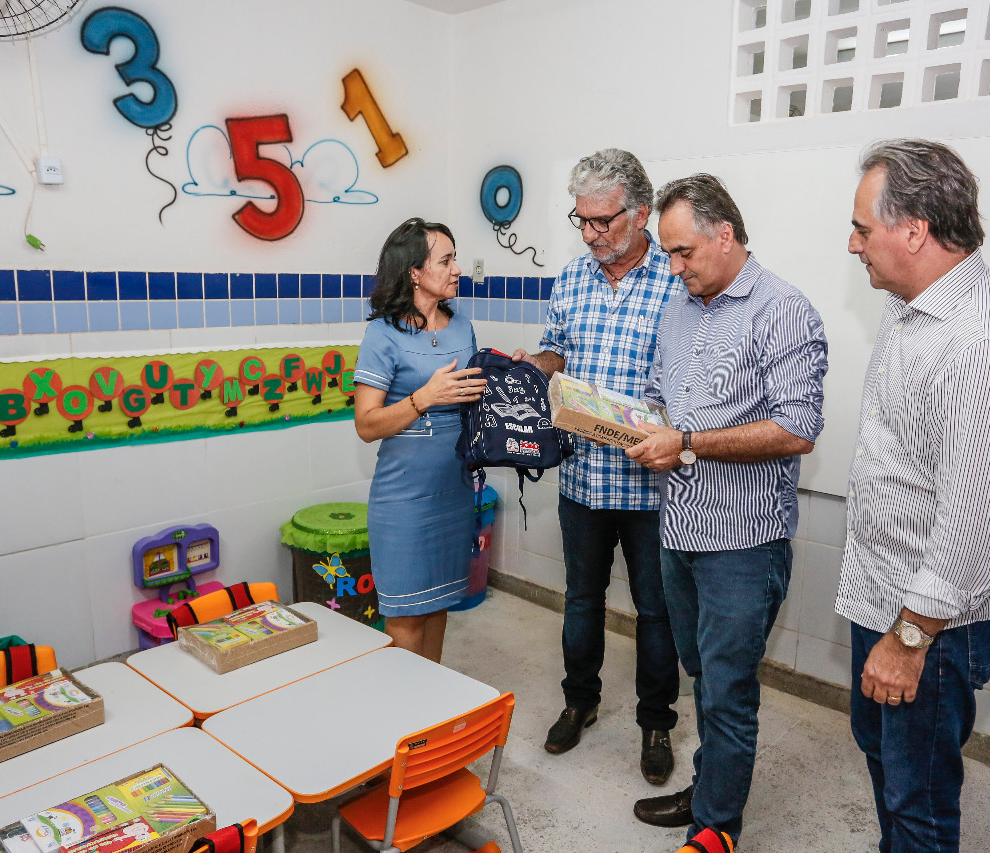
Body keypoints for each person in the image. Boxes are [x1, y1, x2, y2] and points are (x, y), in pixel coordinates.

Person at [838, 139, 990, 853]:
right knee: (886, 760)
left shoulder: (984, 344)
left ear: (914, 231)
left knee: (918, 798)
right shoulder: (911, 308)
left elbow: (972, 523)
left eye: (862, 228)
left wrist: (908, 641)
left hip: (933, 621)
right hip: (886, 595)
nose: (853, 244)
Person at [627, 174, 828, 851]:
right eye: (667, 254)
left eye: (683, 252)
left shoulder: (782, 309)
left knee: (729, 689)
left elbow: (797, 428)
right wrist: (635, 428)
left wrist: (685, 441)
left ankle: (716, 829)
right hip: (678, 529)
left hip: (744, 543)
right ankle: (710, 791)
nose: (673, 268)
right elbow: (660, 397)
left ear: (726, 234)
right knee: (703, 675)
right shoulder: (678, 310)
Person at [511, 148, 683, 785]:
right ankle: (579, 702)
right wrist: (539, 366)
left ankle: (656, 723)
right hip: (584, 477)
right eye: (581, 220)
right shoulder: (572, 278)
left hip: (652, 486)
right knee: (581, 601)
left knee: (656, 612)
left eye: (602, 221)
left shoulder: (677, 280)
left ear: (641, 214)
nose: (589, 233)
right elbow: (558, 348)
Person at [353, 217, 487, 662]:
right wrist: (424, 398)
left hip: (454, 489)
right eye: (445, 261)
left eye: (454, 259)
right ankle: (404, 703)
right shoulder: (382, 334)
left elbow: (471, 396)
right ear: (414, 271)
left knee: (438, 604)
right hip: (404, 499)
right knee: (407, 615)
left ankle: (433, 698)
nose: (456, 269)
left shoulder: (461, 326)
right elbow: (366, 425)